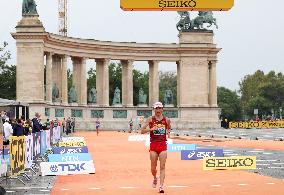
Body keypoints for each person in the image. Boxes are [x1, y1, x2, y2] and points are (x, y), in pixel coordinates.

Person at [140, 102, 171, 193]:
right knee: (153, 168)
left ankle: (161, 186)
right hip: (153, 145)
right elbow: (142, 131)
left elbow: (169, 127)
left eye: (159, 108)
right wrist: (151, 129)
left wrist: (168, 133)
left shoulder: (167, 119)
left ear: (162, 109)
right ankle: (155, 177)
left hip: (162, 145)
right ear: (154, 110)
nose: (158, 110)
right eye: (156, 108)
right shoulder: (150, 119)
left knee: (162, 166)